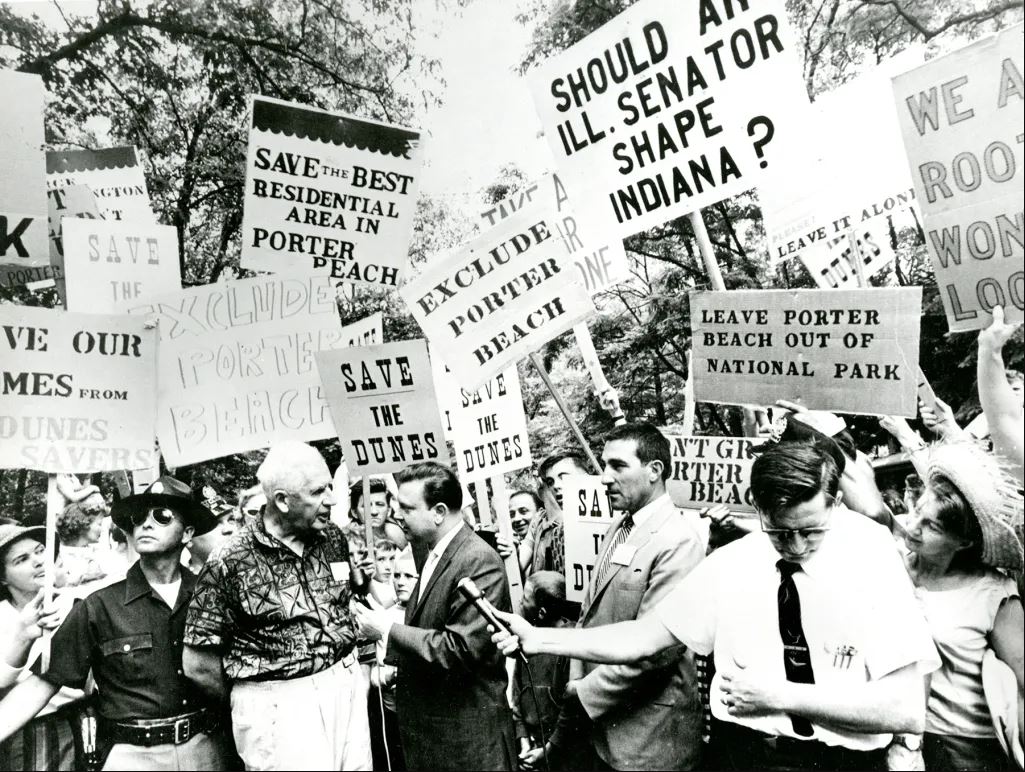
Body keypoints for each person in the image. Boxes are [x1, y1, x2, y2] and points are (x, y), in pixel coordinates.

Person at [492, 440, 942, 771]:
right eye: (781, 532)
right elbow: (645, 637)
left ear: (836, 501)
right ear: (757, 508)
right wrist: (539, 637)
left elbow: (902, 709)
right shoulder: (732, 562)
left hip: (838, 761)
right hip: (742, 755)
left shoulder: (873, 553)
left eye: (813, 530)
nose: (798, 545)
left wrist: (777, 697)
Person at [0, 476, 231, 771]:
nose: (146, 524)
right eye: (138, 518)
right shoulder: (98, 606)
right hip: (133, 756)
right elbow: (41, 685)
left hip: (207, 749)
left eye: (161, 516)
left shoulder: (211, 596)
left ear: (187, 533)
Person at [183, 441, 371, 771]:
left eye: (330, 486)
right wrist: (256, 699)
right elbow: (198, 663)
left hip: (346, 689)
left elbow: (344, 603)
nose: (332, 499)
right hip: (279, 708)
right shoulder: (230, 560)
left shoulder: (332, 539)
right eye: (317, 492)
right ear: (282, 500)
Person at [558, 421, 706, 771]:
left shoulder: (679, 541)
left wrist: (584, 693)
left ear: (655, 470)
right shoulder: (619, 527)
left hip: (648, 740)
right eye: (604, 465)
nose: (605, 477)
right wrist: (576, 680)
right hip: (604, 731)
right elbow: (588, 614)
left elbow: (658, 651)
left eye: (618, 466)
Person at [352, 461, 516, 770]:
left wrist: (386, 630)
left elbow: (461, 649)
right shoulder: (432, 552)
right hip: (438, 739)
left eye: (407, 508)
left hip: (467, 745)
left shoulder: (477, 560)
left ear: (438, 512)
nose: (396, 515)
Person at [901, 441, 1023, 770]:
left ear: (964, 541)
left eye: (933, 527)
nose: (913, 527)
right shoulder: (893, 566)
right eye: (916, 512)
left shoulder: (993, 593)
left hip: (966, 749)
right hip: (898, 736)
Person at [0, 525, 82, 771]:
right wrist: (22, 637)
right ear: (3, 577)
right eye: (21, 559)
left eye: (40, 551)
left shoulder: (78, 604)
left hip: (82, 725)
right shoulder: (3, 616)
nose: (38, 561)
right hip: (21, 734)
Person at [513, 571, 574, 771]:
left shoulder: (570, 645)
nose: (520, 603)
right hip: (531, 748)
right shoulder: (525, 639)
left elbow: (572, 710)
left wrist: (549, 749)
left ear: (541, 613)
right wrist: (524, 741)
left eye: (525, 599)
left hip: (562, 754)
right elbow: (517, 692)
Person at [368, 547, 417, 771]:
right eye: (396, 575)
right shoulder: (384, 616)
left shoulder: (428, 615)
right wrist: (388, 676)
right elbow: (375, 673)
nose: (400, 582)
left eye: (408, 576)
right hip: (393, 712)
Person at [55, 501, 107, 588]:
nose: (102, 529)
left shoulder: (94, 551)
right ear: (83, 524)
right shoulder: (64, 558)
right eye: (99, 524)